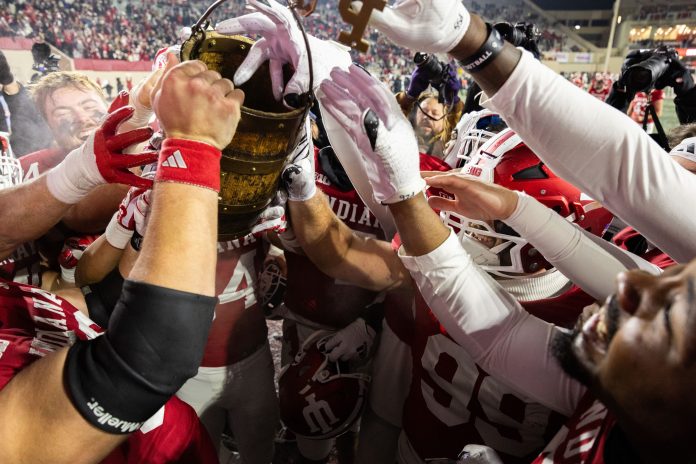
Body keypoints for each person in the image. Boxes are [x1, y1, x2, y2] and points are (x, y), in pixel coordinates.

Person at [0, 56, 245, 462]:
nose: (80, 119)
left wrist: (142, 114)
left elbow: (90, 300)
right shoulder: (40, 169)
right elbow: (148, 357)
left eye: (89, 108)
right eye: (62, 114)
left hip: (162, 405)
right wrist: (190, 148)